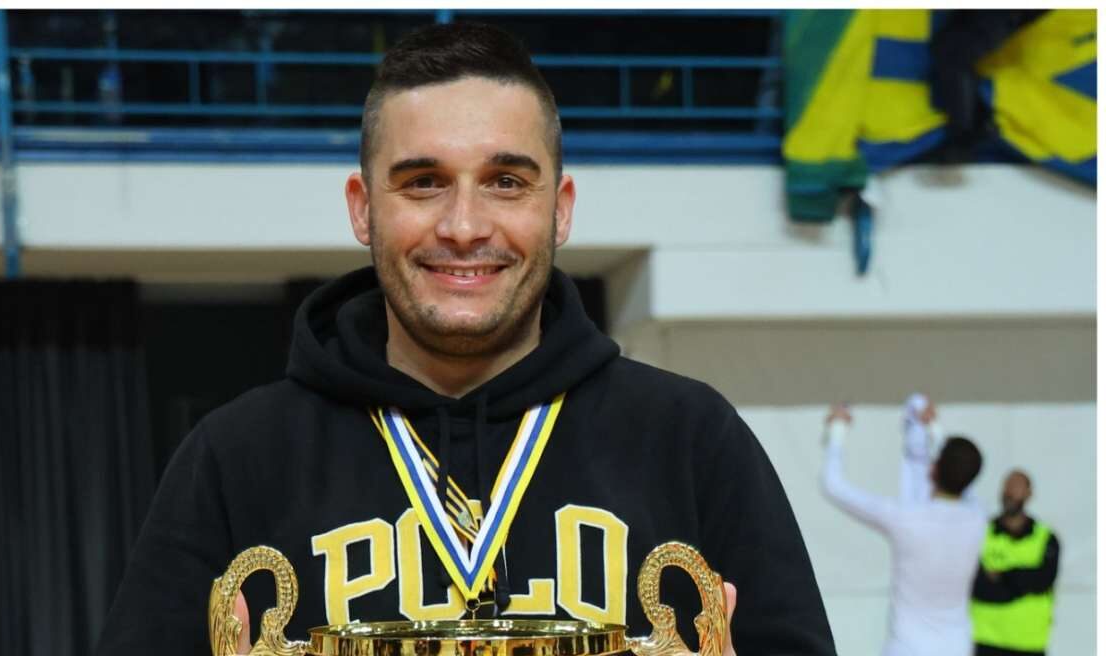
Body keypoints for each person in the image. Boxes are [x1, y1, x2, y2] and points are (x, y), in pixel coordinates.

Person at [96, 22, 836, 656]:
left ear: (560, 207)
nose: (463, 226)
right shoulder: (236, 458)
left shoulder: (690, 439)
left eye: (506, 182)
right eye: (423, 182)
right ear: (362, 207)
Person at [821, 395, 986, 656]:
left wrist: (837, 429)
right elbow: (962, 471)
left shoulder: (906, 517)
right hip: (956, 647)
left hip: (906, 648)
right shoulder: (977, 518)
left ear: (932, 470)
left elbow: (834, 485)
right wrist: (934, 429)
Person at [971, 470, 1060, 656]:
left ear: (1029, 493)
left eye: (1016, 487)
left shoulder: (1045, 538)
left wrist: (1003, 575)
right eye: (1006, 487)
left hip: (1029, 643)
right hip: (985, 640)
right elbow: (976, 585)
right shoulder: (981, 533)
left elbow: (1042, 580)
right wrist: (1021, 585)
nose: (1009, 493)